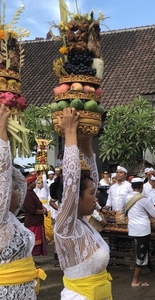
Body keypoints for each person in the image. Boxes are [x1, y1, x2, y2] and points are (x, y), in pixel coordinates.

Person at [54, 107, 112, 300]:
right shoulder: (66, 226)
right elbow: (72, 182)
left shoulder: (83, 222)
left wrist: (87, 141)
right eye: (90, 194)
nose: (95, 198)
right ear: (75, 197)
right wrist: (70, 134)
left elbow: (89, 182)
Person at [0, 104, 46, 299]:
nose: (19, 191)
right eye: (12, 188)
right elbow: (2, 173)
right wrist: (1, 134)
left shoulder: (10, 218)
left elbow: (8, 175)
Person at [124, 177, 155, 288]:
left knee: (141, 251)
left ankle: (147, 268)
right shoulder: (143, 199)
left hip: (132, 228)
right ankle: (135, 281)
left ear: (132, 187)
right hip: (143, 230)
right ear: (142, 187)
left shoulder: (126, 197)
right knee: (141, 254)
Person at [24, 174, 48, 266]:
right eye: (34, 182)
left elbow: (38, 203)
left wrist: (43, 208)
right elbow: (32, 210)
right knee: (32, 243)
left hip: (36, 221)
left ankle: (32, 261)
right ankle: (30, 262)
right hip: (32, 222)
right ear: (29, 183)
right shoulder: (27, 194)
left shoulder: (31, 192)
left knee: (35, 242)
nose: (35, 183)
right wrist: (42, 211)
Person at [34, 173, 54, 243]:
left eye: (40, 183)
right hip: (39, 210)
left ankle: (52, 238)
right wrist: (36, 175)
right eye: (37, 183)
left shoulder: (46, 189)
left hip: (46, 209)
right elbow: (35, 182)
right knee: (40, 225)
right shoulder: (36, 191)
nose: (38, 185)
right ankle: (42, 238)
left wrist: (44, 174)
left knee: (47, 224)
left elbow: (45, 182)